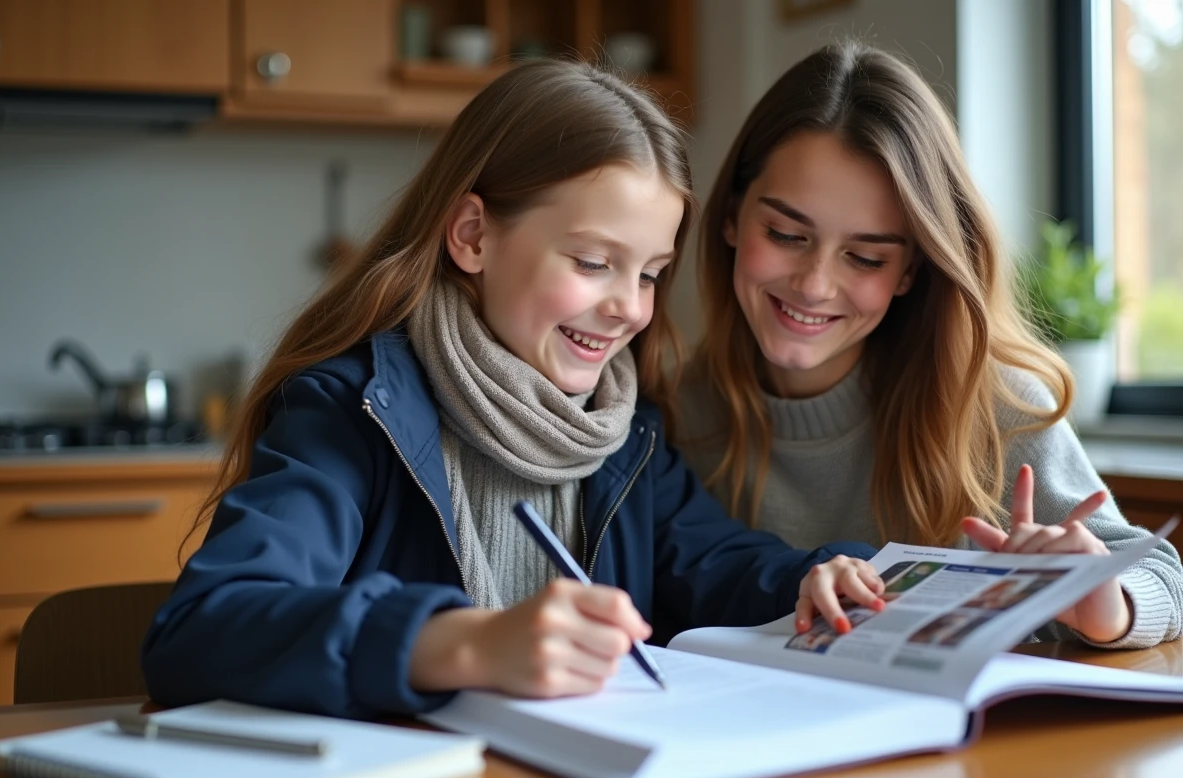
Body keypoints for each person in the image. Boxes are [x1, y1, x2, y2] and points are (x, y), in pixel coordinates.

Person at [141, 59, 883, 721]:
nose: (630, 305)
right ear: (472, 236)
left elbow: (717, 565)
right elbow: (201, 629)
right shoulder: (352, 411)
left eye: (651, 273)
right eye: (594, 262)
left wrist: (816, 575)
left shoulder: (626, 434)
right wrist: (460, 643)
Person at [677, 41, 1182, 649]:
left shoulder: (990, 403)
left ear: (912, 269)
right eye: (786, 234)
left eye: (866, 256)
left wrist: (1106, 603)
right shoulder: (678, 409)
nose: (814, 285)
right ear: (730, 217)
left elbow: (1161, 578)